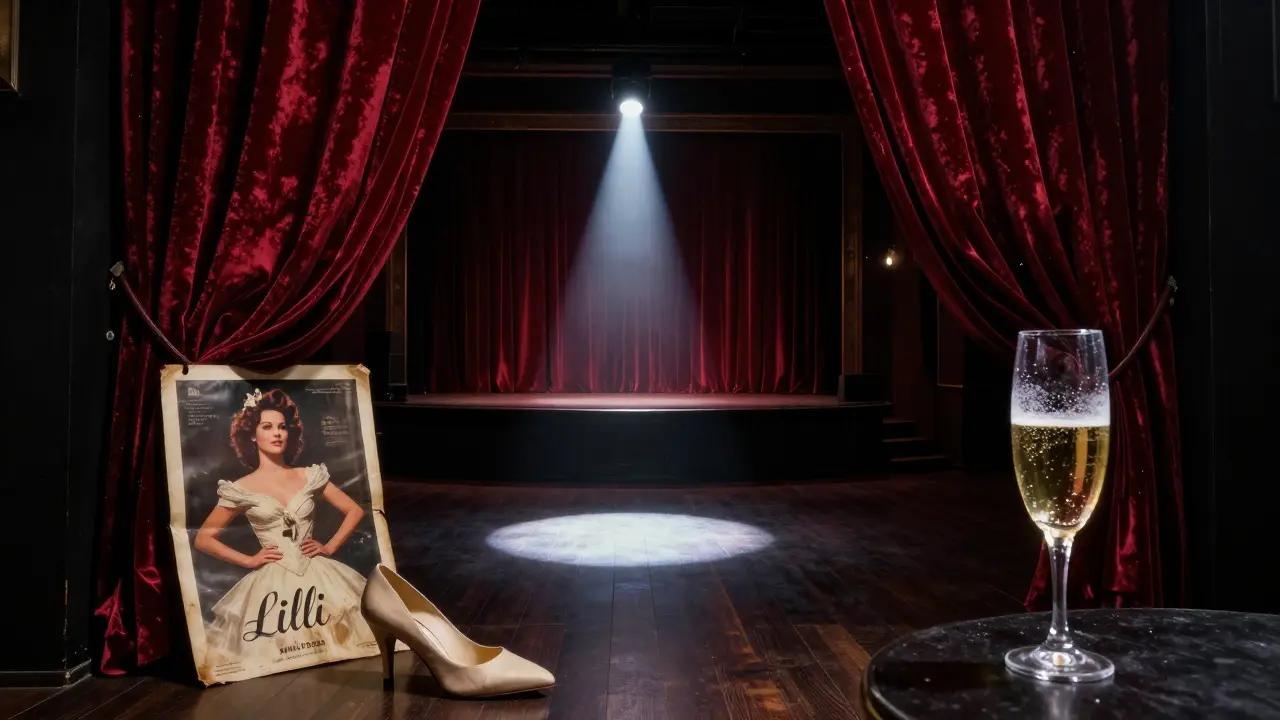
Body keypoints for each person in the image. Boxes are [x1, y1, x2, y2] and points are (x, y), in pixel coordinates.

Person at [193, 387, 374, 666]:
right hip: (272, 583)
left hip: (319, 574)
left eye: (282, 427)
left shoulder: (309, 475)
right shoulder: (240, 489)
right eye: (268, 427)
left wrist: (329, 546)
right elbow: (204, 538)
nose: (277, 433)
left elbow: (353, 509)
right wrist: (249, 560)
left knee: (343, 654)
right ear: (252, 435)